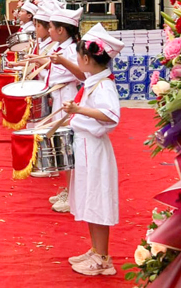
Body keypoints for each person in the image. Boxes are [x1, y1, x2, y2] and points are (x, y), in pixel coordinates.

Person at [64, 24, 124, 277]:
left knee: (97, 201)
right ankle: (96, 250)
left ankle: (103, 258)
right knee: (90, 200)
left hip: (95, 149)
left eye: (78, 57)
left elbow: (111, 116)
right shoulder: (94, 81)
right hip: (86, 145)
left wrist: (79, 111)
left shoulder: (103, 86)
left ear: (87, 59)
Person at [35, 6, 84, 212]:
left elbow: (81, 74)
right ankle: (68, 189)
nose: (49, 30)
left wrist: (60, 60)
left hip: (68, 97)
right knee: (65, 146)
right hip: (59, 96)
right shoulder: (62, 47)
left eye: (52, 27)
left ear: (62, 30)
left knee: (68, 147)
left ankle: (74, 195)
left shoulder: (72, 50)